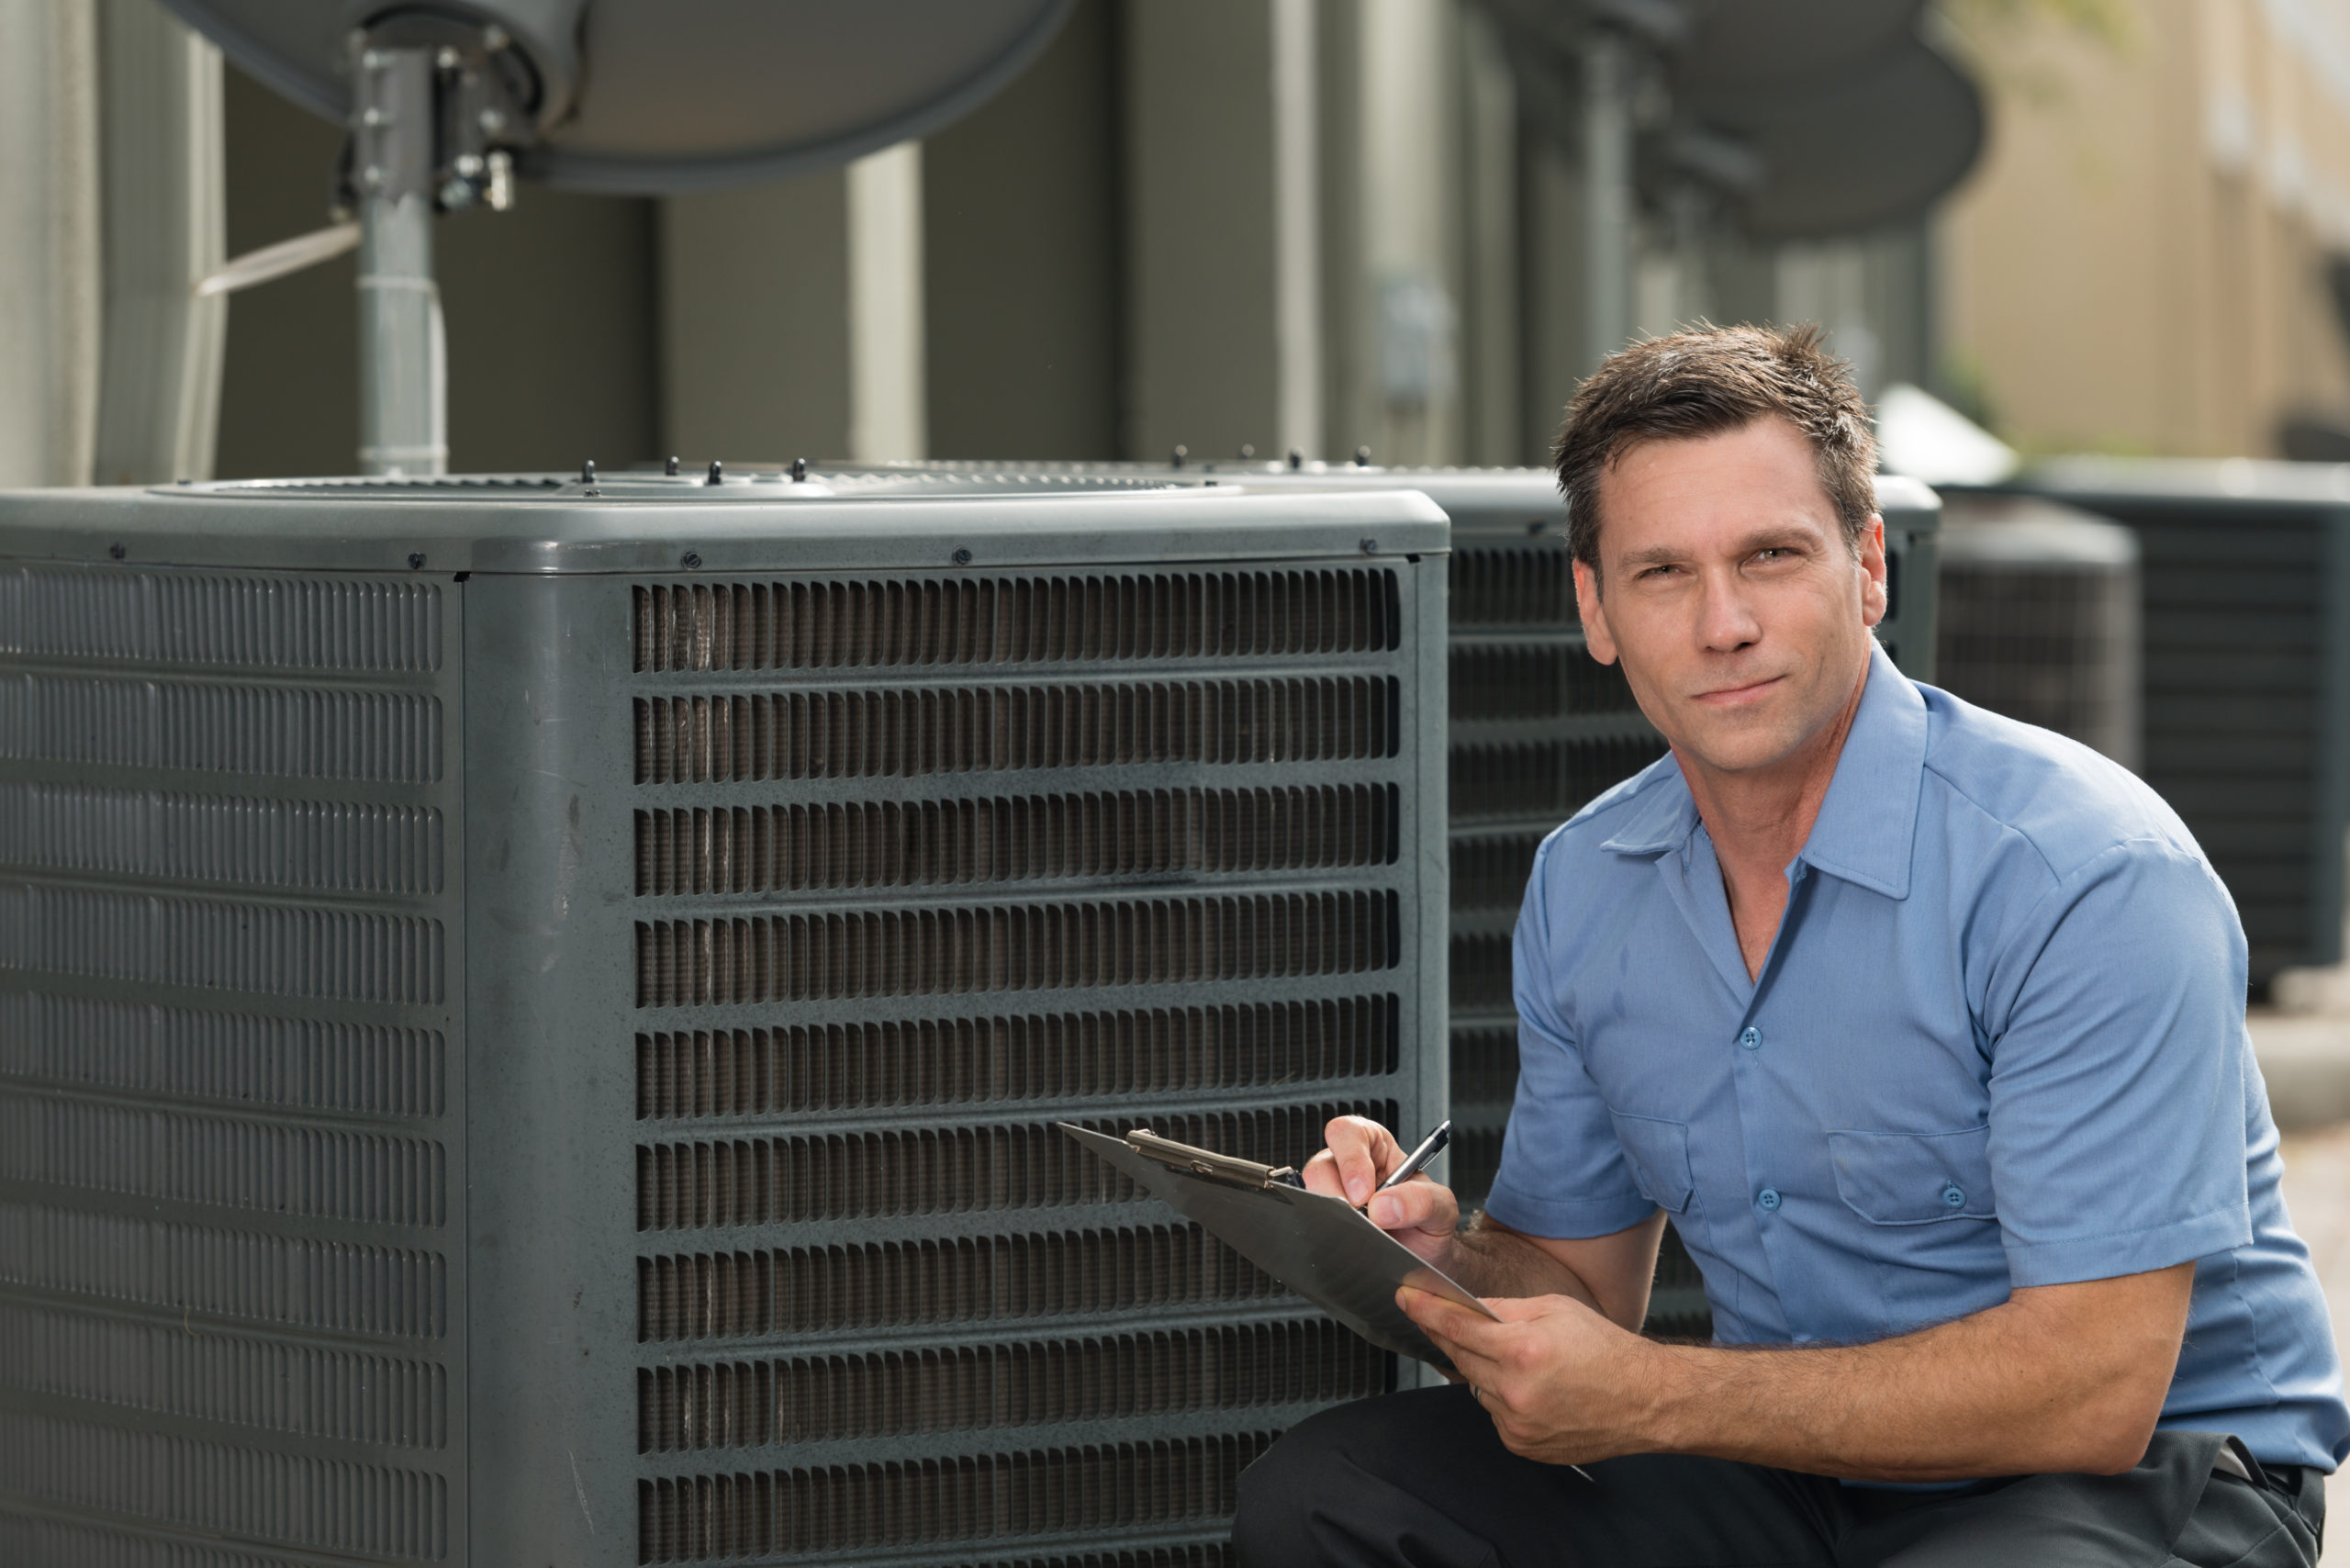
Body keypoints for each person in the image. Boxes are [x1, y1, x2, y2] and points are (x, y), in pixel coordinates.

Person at [1231, 324, 2349, 1567]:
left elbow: (2092, 1389)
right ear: (1595, 609)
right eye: (1662, 574)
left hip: (2154, 1481)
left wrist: (1658, 1397)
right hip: (1797, 1469)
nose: (1724, 624)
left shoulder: (2084, 876)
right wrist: (1438, 1259)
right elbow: (1584, 1290)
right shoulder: (1586, 886)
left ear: (1869, 568)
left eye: (1770, 557)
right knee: (1329, 1494)